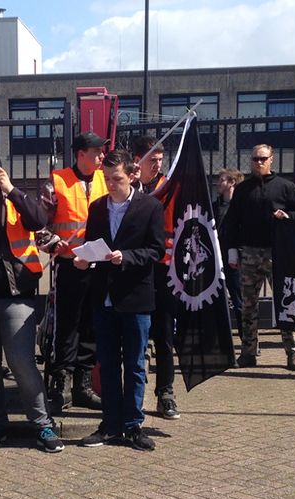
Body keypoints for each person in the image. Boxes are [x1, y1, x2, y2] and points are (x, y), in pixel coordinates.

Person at [0, 149, 64, 453]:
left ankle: (43, 426)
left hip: (16, 297)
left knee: (22, 364)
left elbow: (38, 219)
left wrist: (11, 190)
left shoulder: (14, 202)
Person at [75, 149, 166, 451]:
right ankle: (110, 424)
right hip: (104, 297)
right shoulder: (98, 207)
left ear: (131, 176)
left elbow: (155, 250)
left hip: (135, 296)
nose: (111, 184)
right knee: (109, 364)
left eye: (116, 179)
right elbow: (91, 244)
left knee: (136, 364)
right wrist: (85, 260)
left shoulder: (150, 206)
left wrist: (126, 257)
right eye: (106, 179)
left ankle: (133, 425)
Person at [222, 144, 295, 371]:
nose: (258, 163)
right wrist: (232, 251)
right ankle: (248, 352)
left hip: (277, 252)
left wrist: (288, 215)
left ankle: (293, 353)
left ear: (271, 159)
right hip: (250, 253)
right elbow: (232, 222)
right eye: (255, 159)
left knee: (285, 303)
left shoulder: (285, 187)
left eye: (262, 158)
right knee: (248, 306)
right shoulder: (243, 189)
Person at [39, 132, 108, 413]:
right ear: (80, 154)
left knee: (91, 326)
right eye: (96, 152)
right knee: (66, 327)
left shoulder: (108, 181)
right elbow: (37, 227)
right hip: (68, 266)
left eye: (102, 152)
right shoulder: (56, 184)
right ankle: (62, 385)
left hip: (99, 266)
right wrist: (57, 244)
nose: (102, 156)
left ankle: (83, 386)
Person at [131, 135, 179, 420]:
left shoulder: (171, 186)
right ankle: (132, 394)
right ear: (139, 159)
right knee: (134, 333)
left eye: (161, 159)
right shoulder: (129, 186)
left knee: (164, 333)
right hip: (134, 267)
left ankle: (166, 392)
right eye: (152, 159)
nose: (157, 164)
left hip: (163, 267)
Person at [213, 168, 244, 341]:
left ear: (232, 182)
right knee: (217, 301)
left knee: (239, 302)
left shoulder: (242, 206)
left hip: (235, 261)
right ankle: (221, 339)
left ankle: (247, 340)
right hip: (217, 259)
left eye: (222, 179)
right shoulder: (214, 206)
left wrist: (238, 253)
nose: (218, 183)